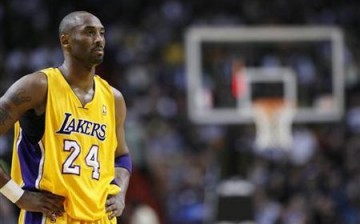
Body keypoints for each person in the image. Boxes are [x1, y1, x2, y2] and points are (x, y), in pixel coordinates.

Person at [0, 11, 132, 223]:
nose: (99, 39)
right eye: (89, 32)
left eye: (101, 33)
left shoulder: (113, 98)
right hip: (51, 216)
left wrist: (120, 193)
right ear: (66, 40)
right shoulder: (38, 86)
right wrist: (18, 196)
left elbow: (122, 156)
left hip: (101, 218)